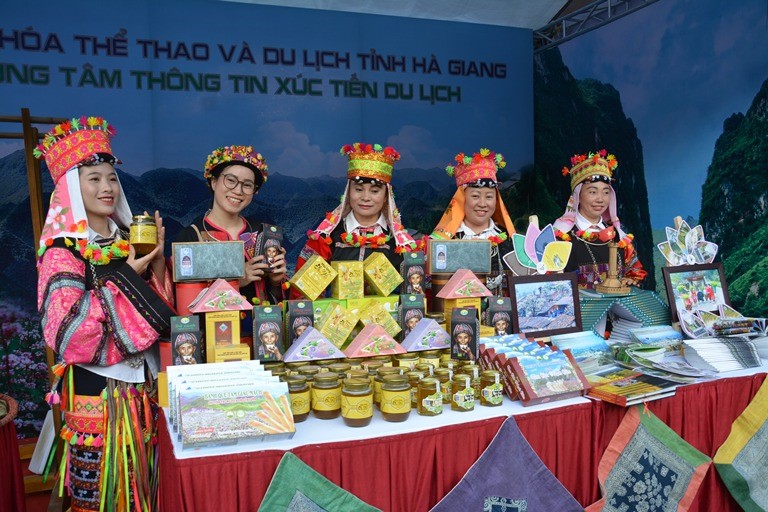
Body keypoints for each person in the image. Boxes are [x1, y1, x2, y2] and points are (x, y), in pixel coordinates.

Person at [34, 116, 175, 512]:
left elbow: (160, 311)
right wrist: (127, 276)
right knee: (101, 492)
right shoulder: (62, 252)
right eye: (93, 178)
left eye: (112, 178)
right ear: (71, 189)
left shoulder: (129, 239)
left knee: (146, 485)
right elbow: (68, 334)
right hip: (99, 393)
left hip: (145, 385)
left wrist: (158, 264)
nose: (107, 188)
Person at [294, 142, 419, 297]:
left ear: (387, 196)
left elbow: (414, 293)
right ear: (348, 193)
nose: (365, 197)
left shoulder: (399, 243)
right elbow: (303, 291)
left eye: (374, 191)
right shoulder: (327, 237)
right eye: (358, 189)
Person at [174, 145, 287, 305]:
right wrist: (237, 280)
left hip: (263, 328)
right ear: (213, 182)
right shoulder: (191, 237)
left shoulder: (262, 233)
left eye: (247, 185)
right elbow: (186, 307)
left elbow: (276, 300)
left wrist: (275, 282)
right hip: (213, 329)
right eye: (231, 181)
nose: (238, 190)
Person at [553, 150, 646, 289]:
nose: (600, 199)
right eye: (592, 192)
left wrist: (629, 279)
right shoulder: (561, 236)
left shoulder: (619, 237)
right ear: (578, 196)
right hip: (581, 310)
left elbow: (635, 270)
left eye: (606, 192)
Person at [431, 148, 516, 295]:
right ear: (461, 199)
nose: (483, 204)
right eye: (475, 196)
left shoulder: (508, 240)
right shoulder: (444, 242)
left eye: (489, 197)